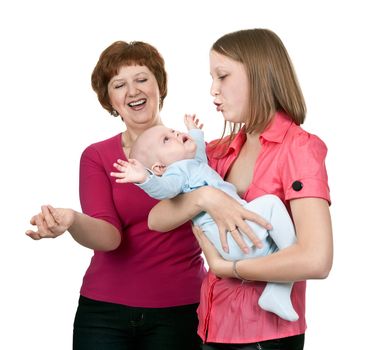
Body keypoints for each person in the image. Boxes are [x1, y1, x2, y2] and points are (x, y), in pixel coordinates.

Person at [148, 29, 333, 349]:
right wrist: (205, 196)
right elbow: (157, 219)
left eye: (222, 76)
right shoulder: (219, 152)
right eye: (211, 78)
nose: (213, 90)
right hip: (212, 323)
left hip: (266, 336)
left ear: (260, 76)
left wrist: (228, 268)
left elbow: (316, 259)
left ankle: (278, 295)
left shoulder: (298, 149)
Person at [25, 40, 206, 350]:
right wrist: (71, 220)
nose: (132, 91)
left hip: (179, 311)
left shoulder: (193, 149)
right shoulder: (97, 156)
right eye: (119, 84)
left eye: (142, 79)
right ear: (110, 101)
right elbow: (109, 237)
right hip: (103, 313)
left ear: (159, 86)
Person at [110, 114, 298, 321]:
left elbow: (197, 152)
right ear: (160, 168)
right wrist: (145, 179)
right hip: (231, 235)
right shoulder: (176, 173)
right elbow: (164, 189)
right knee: (272, 206)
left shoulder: (194, 165)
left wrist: (194, 133)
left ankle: (276, 292)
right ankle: (293, 256)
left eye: (172, 131)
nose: (174, 133)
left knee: (277, 252)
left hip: (236, 237)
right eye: (166, 140)